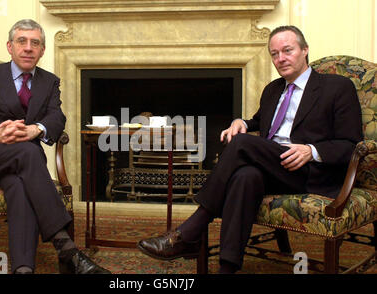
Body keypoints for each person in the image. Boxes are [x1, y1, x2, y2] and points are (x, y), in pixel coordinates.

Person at [137, 25, 363, 274]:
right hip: (273, 169)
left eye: (287, 50)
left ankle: (192, 230)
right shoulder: (272, 90)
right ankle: (227, 268)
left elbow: (351, 144)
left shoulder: (337, 87)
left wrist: (311, 150)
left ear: (305, 50)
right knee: (246, 176)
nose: (281, 59)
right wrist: (242, 123)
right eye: (274, 54)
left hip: (309, 170)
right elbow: (259, 121)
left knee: (241, 143)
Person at [0, 19, 110, 274]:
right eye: (21, 41)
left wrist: (36, 129)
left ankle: (23, 268)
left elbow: (56, 118)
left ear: (42, 50)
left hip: (20, 165)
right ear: (10, 47)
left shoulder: (49, 82)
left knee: (18, 183)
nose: (28, 48)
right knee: (29, 151)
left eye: (35, 43)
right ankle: (67, 248)